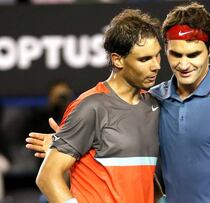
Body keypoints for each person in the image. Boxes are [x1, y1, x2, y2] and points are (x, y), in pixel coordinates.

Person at [27, 2, 210, 202]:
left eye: (193, 54)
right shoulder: (155, 99)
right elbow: (118, 131)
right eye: (174, 54)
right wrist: (70, 144)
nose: (183, 64)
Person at [30, 9, 162, 203]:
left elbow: (143, 179)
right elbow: (48, 178)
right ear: (117, 59)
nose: (156, 66)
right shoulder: (90, 106)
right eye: (144, 59)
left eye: (157, 56)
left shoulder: (153, 105)